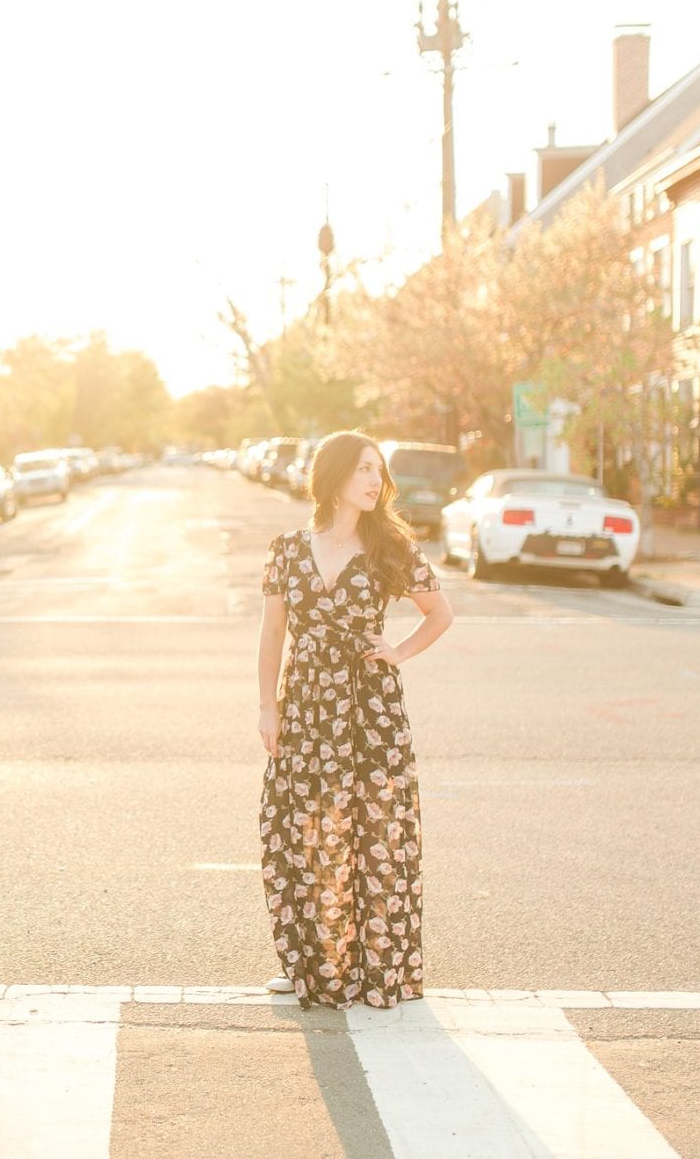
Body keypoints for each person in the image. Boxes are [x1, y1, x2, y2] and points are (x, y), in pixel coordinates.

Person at [255, 430, 454, 1008]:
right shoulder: (288, 549)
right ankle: (310, 963)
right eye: (365, 469)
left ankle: (378, 969)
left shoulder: (390, 547)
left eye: (379, 471)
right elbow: (272, 634)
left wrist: (397, 653)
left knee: (375, 832)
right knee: (299, 827)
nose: (375, 481)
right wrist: (267, 707)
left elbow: (440, 614)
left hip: (371, 709)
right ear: (335, 476)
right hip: (307, 706)